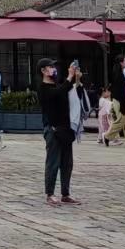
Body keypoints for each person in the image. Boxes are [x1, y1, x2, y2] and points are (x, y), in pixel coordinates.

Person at [37, 58, 79, 205]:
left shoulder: (58, 85)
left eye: (54, 66)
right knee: (53, 163)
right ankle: (50, 193)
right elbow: (57, 93)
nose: (53, 69)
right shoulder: (43, 88)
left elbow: (69, 91)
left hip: (66, 129)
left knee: (67, 163)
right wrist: (69, 77)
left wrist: (76, 79)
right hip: (52, 130)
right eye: (50, 67)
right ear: (43, 70)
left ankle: (65, 193)